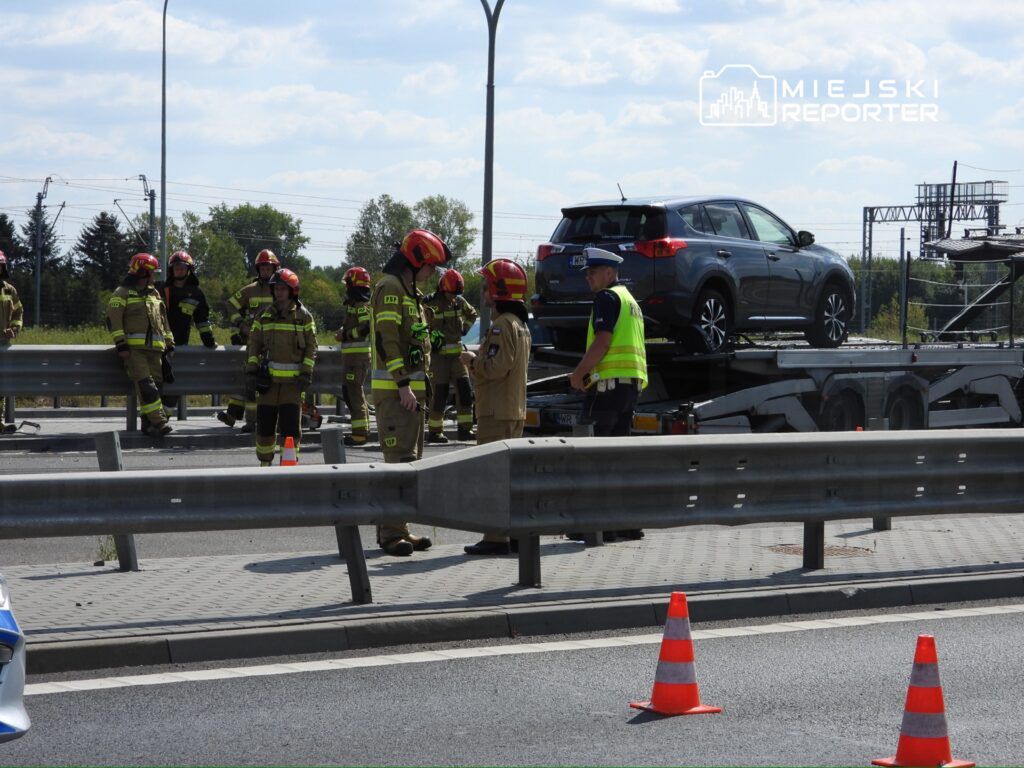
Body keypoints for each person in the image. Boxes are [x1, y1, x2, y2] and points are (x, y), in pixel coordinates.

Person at [370, 229, 450, 556]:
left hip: (412, 395)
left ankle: (400, 528)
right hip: (396, 394)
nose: (433, 273)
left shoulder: (409, 291)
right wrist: (402, 383)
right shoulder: (390, 288)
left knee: (410, 464)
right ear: (416, 262)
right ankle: (391, 535)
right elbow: (386, 339)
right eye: (431, 266)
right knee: (398, 463)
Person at [568, 246, 648, 542]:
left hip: (606, 388)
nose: (587, 277)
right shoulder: (630, 301)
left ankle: (594, 526)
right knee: (618, 459)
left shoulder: (606, 297)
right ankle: (625, 524)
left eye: (592, 272)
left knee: (592, 458)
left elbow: (603, 341)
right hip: (629, 388)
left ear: (610, 272)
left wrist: (579, 373)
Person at [460, 259, 531, 556]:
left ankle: (495, 538)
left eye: (487, 286)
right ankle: (514, 534)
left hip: (495, 413)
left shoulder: (502, 325)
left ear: (498, 291)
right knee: (510, 478)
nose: (484, 292)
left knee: (492, 476)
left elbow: (496, 367)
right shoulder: (521, 325)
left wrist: (472, 362)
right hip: (512, 411)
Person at [245, 268, 317, 466]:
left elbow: (311, 347)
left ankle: (288, 466)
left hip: (292, 385)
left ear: (292, 291)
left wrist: (306, 373)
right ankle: (265, 465)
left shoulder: (304, 317)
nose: (279, 292)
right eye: (276, 288)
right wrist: (251, 370)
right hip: (267, 384)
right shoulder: (263, 316)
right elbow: (254, 344)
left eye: (283, 289)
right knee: (265, 429)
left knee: (290, 429)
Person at [106, 252, 174, 438]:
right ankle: (160, 422)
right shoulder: (122, 293)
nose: (155, 277)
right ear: (143, 272)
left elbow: (163, 321)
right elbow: (113, 320)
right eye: (153, 273)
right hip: (134, 351)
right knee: (147, 386)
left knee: (156, 388)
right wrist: (121, 345)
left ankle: (148, 425)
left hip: (156, 351)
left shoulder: (154, 293)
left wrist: (169, 343)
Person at [219, 249, 279, 432]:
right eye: (262, 268)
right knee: (250, 380)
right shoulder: (250, 290)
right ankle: (251, 421)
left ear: (274, 269)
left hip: (276, 343)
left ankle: (260, 419)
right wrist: (240, 324)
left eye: (268, 268)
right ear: (258, 269)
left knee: (272, 382)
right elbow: (230, 304)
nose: (265, 271)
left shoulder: (281, 289)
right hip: (253, 343)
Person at [423, 268, 478, 443]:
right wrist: (429, 337)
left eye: (456, 294)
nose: (453, 297)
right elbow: (418, 324)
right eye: (451, 293)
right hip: (438, 358)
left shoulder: (459, 301)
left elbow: (472, 314)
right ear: (442, 289)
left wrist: (465, 328)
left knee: (465, 391)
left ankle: (465, 429)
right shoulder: (429, 303)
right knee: (439, 394)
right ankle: (435, 432)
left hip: (458, 358)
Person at [159, 250, 216, 410]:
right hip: (158, 344)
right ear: (171, 270)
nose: (179, 270)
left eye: (182, 267)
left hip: (180, 345)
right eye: (176, 267)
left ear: (189, 270)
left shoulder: (196, 293)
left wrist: (208, 339)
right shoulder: (161, 289)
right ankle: (155, 418)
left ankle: (164, 416)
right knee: (156, 383)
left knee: (174, 384)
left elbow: (202, 319)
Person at [335, 267, 372, 447]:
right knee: (351, 392)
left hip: (357, 359)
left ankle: (360, 434)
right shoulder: (353, 304)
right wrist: (343, 331)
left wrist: (346, 335)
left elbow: (365, 328)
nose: (346, 287)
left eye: (348, 283)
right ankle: (361, 430)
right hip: (352, 359)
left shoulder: (361, 305)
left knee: (354, 394)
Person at [0, 250, 24, 427]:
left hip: (3, 344)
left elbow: (18, 313)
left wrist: (14, 329)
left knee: (1, 387)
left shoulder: (9, 290)